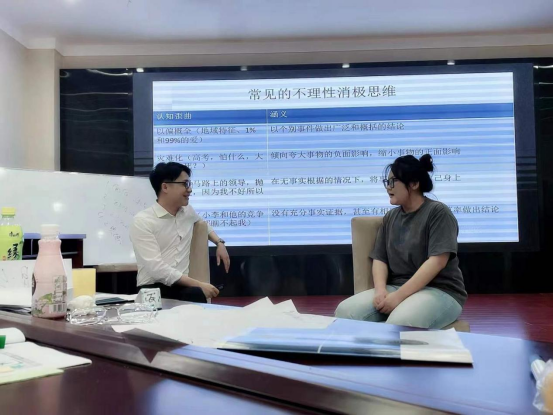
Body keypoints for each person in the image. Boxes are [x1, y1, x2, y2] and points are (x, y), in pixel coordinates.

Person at [335, 154, 467, 328]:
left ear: (414, 184)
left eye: (393, 181)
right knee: (345, 312)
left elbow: (437, 262)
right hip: (396, 286)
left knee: (399, 324)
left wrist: (398, 297)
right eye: (387, 182)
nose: (388, 187)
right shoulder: (391, 217)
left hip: (440, 291)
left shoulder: (438, 212)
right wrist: (380, 290)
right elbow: (380, 259)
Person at [130, 162, 230, 303]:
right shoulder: (143, 221)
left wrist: (219, 243)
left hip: (182, 286)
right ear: (165, 187)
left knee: (195, 296)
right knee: (196, 293)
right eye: (185, 184)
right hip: (152, 288)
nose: (189, 189)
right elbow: (156, 269)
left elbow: (203, 225)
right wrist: (199, 284)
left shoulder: (187, 212)